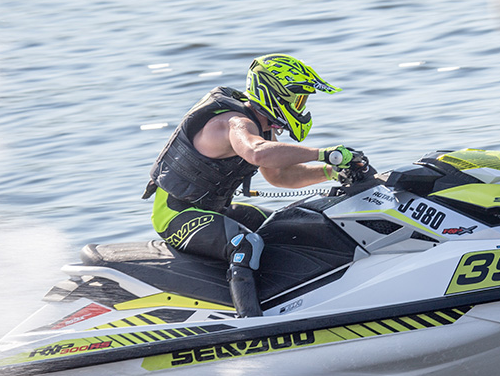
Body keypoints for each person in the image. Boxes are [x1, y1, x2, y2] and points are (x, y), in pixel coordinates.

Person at [142, 53, 360, 318]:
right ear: (275, 92)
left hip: (214, 211)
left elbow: (279, 176)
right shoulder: (235, 123)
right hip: (175, 215)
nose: (301, 107)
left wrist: (331, 171)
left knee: (285, 225)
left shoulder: (263, 127)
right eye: (298, 99)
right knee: (244, 243)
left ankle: (299, 302)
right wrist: (323, 153)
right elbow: (257, 153)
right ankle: (250, 322)